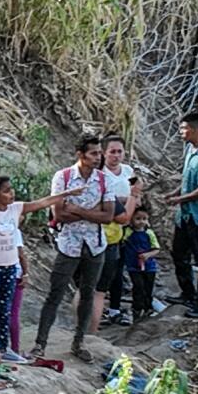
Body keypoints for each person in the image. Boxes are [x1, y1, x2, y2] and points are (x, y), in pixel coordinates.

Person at [0, 176, 70, 363]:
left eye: (11, 189)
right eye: (6, 190)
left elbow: (42, 203)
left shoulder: (15, 208)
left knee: (5, 309)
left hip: (10, 267)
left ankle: (3, 349)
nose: (11, 193)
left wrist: (65, 194)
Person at [33, 136, 116, 362]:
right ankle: (40, 344)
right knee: (55, 293)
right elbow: (59, 214)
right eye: (94, 154)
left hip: (95, 245)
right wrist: (93, 212)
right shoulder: (63, 177)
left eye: (99, 153)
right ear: (80, 154)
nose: (98, 158)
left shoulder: (103, 179)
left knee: (88, 293)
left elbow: (108, 216)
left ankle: (79, 342)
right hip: (69, 244)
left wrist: (77, 209)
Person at [163, 112, 198, 319]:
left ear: (196, 130)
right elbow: (188, 178)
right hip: (185, 216)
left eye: (183, 129)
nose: (180, 133)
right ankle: (188, 293)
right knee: (179, 254)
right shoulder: (191, 149)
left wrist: (179, 200)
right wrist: (175, 193)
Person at [92, 136, 144, 330]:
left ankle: (114, 308)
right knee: (101, 274)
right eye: (112, 151)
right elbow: (106, 201)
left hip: (124, 228)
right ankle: (97, 313)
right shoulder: (99, 174)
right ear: (104, 153)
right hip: (105, 230)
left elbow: (136, 190)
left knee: (118, 270)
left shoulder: (128, 171)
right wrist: (127, 199)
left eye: (119, 151)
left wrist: (133, 198)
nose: (116, 155)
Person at [123, 207, 162, 319]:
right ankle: (137, 308)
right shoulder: (128, 232)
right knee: (138, 286)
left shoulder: (149, 233)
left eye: (144, 219)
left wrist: (147, 255)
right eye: (138, 218)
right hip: (133, 266)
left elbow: (156, 248)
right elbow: (122, 242)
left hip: (149, 266)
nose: (141, 222)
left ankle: (148, 308)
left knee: (148, 287)